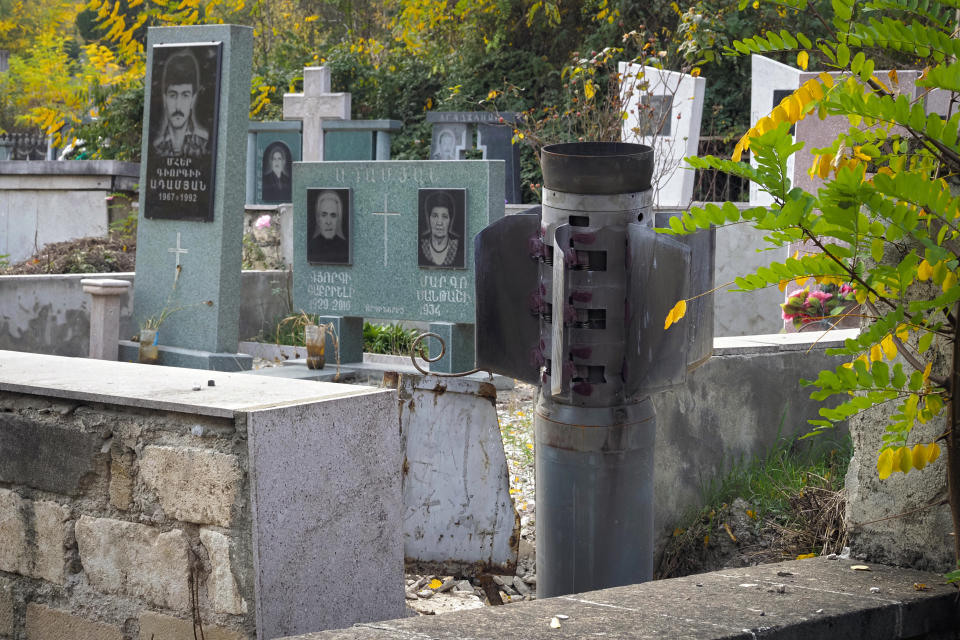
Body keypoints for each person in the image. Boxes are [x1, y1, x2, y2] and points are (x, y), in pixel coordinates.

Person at [152, 49, 210, 158]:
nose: (178, 106)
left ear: (193, 99)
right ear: (165, 99)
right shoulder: (156, 147)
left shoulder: (203, 144)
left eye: (185, 95)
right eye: (173, 95)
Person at [419, 190, 463, 268]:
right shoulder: (421, 245)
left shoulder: (459, 246)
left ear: (450, 220)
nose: (439, 222)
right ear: (428, 218)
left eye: (444, 216)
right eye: (435, 216)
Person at [308, 190, 349, 264]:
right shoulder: (311, 247)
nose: (328, 222)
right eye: (324, 215)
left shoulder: (345, 247)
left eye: (333, 215)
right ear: (318, 218)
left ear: (338, 219)